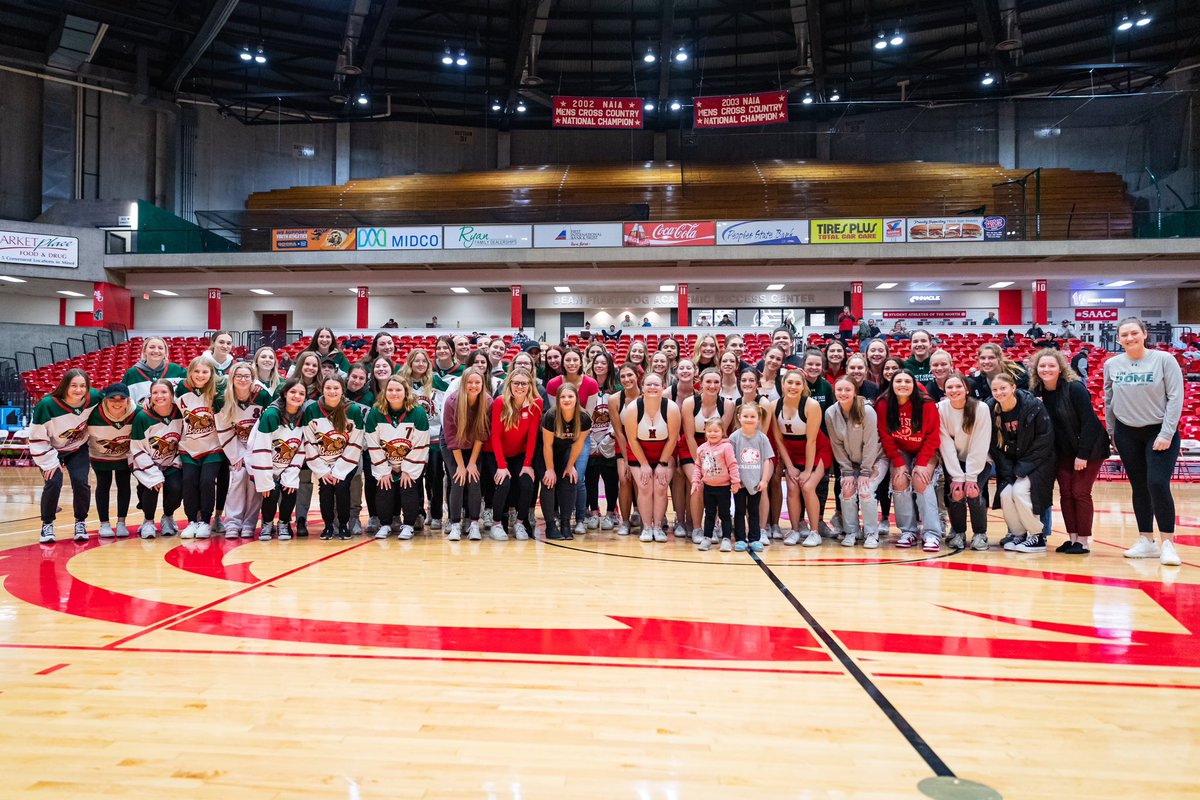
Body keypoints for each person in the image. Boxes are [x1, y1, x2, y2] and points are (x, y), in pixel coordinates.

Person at [1104, 317, 1185, 566]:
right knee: (1139, 486)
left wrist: (1167, 433)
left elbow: (1176, 397)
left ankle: (1168, 543)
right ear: (1119, 339)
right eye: (1124, 335)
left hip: (1159, 431)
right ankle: (1146, 541)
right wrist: (1112, 432)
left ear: (1144, 334)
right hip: (1127, 433)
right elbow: (1109, 400)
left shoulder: (1164, 360)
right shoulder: (1112, 364)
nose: (1129, 338)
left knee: (1157, 483)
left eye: (1133, 333)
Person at [1029, 348, 1109, 555]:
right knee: (1066, 493)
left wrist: (1082, 455)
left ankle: (1083, 541)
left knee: (1080, 492)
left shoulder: (1075, 388)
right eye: (1042, 366)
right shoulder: (1037, 393)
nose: (1046, 369)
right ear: (1036, 369)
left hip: (1089, 448)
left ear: (1060, 368)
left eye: (1051, 365)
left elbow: (1090, 423)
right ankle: (1072, 538)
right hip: (1063, 451)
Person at [32, 369, 103, 543]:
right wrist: (48, 462)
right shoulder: (47, 405)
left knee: (80, 482)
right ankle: (47, 524)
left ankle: (80, 521)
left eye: (82, 386)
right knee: (53, 482)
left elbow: (116, 403)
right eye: (74, 386)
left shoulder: (93, 397)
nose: (79, 390)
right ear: (64, 386)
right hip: (50, 449)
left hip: (77, 448)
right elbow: (36, 437)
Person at [987, 373, 1055, 553]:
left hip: (1039, 461)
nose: (999, 392)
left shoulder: (1033, 406)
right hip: (1012, 464)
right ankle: (1019, 534)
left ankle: (1037, 536)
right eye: (995, 389)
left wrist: (1022, 468)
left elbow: (1044, 440)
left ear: (1013, 388)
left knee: (1019, 491)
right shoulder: (991, 409)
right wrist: (1009, 471)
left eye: (1003, 388)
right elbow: (995, 446)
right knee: (1006, 493)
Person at [877, 369, 943, 551]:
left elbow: (932, 437)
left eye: (908, 381)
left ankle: (931, 533)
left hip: (926, 449)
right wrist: (898, 463)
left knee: (921, 481)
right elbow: (885, 436)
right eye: (899, 381)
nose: (903, 385)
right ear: (892, 385)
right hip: (900, 449)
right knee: (899, 481)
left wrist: (921, 463)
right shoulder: (883, 403)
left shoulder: (926, 403)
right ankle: (908, 531)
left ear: (914, 385)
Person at [825, 377, 887, 548]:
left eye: (847, 390)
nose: (843, 393)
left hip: (875, 459)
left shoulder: (867, 411)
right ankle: (852, 531)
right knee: (846, 488)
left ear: (855, 392)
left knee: (865, 490)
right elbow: (837, 445)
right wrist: (847, 472)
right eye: (839, 390)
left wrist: (866, 472)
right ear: (834, 391)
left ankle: (871, 533)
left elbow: (871, 443)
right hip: (851, 463)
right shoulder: (830, 413)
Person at [366, 375, 430, 540]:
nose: (394, 393)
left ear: (406, 391)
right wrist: (383, 470)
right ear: (385, 391)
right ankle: (385, 524)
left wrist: (407, 469)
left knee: (409, 488)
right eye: (390, 389)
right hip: (386, 462)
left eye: (398, 389)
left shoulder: (418, 412)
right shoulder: (375, 412)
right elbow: (373, 444)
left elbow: (421, 444)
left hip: (409, 462)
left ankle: (408, 525)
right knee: (383, 489)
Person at [303, 375, 366, 540]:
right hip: (323, 463)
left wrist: (339, 470)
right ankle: (329, 526)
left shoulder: (352, 410)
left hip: (346, 462)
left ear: (342, 390)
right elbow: (309, 442)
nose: (332, 391)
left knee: (341, 486)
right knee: (325, 488)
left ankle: (344, 525)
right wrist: (323, 470)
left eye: (336, 388)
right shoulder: (312, 410)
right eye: (328, 388)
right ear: (322, 389)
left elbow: (355, 443)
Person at [772, 370, 831, 547]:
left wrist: (807, 471)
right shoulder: (774, 405)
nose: (793, 387)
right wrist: (789, 467)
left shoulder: (811, 405)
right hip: (792, 451)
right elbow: (779, 439)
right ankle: (795, 530)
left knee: (807, 486)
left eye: (798, 383)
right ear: (783, 385)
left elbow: (812, 441)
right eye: (789, 382)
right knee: (791, 487)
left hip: (817, 450)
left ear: (803, 386)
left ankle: (814, 532)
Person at [622, 371, 681, 543]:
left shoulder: (671, 408)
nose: (653, 387)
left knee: (661, 487)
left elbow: (672, 438)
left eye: (657, 384)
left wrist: (662, 463)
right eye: (649, 384)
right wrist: (644, 464)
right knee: (645, 486)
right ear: (642, 388)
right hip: (639, 452)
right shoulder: (633, 408)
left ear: (663, 388)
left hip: (665, 452)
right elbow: (632, 439)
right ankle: (647, 527)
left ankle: (658, 527)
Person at [546, 349, 599, 534]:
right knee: (561, 475)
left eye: (575, 359)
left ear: (581, 361)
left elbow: (588, 416)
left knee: (579, 477)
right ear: (563, 362)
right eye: (567, 359)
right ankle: (562, 516)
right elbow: (556, 413)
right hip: (559, 436)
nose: (571, 363)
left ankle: (581, 519)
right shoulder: (553, 384)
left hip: (581, 436)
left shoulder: (591, 383)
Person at [937, 373, 992, 551]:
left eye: (958, 386)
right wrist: (957, 477)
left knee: (973, 492)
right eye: (950, 387)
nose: (954, 390)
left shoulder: (980, 408)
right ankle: (959, 532)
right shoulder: (940, 408)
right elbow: (946, 445)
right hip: (954, 461)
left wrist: (971, 476)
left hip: (981, 459)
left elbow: (980, 444)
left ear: (967, 388)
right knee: (957, 493)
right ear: (944, 390)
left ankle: (980, 534)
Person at [249, 378, 308, 540]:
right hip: (262, 461)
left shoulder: (304, 416)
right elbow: (261, 448)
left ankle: (284, 523)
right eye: (293, 392)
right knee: (271, 492)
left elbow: (301, 449)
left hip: (287, 463)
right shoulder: (271, 415)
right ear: (284, 394)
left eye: (301, 393)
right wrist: (266, 479)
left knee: (290, 489)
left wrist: (291, 473)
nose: (297, 396)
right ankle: (267, 524)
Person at [219, 362, 272, 539]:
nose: (242, 379)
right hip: (235, 448)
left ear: (253, 378)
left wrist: (253, 454)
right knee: (238, 477)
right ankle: (233, 522)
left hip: (257, 448)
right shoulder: (223, 398)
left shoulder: (262, 395)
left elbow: (266, 426)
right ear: (232, 378)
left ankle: (249, 523)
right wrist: (237, 455)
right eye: (238, 376)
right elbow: (223, 429)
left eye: (246, 376)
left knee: (254, 480)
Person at [488, 368, 541, 540]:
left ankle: (519, 523)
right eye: (516, 383)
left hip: (520, 454)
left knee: (527, 483)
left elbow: (532, 436)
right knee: (504, 483)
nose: (520, 386)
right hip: (497, 453)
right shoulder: (500, 402)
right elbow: (495, 436)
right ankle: (496, 524)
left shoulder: (536, 403)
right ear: (509, 384)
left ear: (530, 385)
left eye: (524, 383)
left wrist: (527, 464)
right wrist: (502, 466)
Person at [176, 356, 225, 539]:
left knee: (206, 482)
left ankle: (205, 520)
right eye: (196, 371)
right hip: (188, 446)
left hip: (213, 447)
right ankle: (191, 521)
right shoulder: (180, 389)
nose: (200, 375)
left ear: (211, 374)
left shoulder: (218, 392)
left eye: (205, 372)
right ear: (190, 373)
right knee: (188, 481)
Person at [129, 378, 184, 539]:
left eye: (164, 392)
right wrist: (153, 472)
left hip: (173, 461)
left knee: (176, 487)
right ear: (150, 396)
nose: (159, 396)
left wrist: (176, 462)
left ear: (172, 394)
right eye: (155, 393)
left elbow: (185, 439)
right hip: (146, 461)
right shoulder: (142, 417)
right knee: (151, 486)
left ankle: (168, 516)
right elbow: (137, 448)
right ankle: (148, 521)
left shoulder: (179, 412)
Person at [441, 367, 491, 541]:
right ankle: (455, 524)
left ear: (482, 384)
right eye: (470, 382)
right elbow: (451, 437)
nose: (473, 385)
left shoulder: (487, 401)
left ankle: (474, 524)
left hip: (474, 444)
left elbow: (482, 434)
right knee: (458, 479)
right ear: (463, 383)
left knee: (474, 479)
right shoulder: (452, 402)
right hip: (452, 444)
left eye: (477, 382)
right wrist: (461, 466)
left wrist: (471, 463)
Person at [402, 349, 449, 533]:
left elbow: (447, 403)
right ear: (410, 363)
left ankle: (436, 514)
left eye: (424, 361)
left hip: (435, 438)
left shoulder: (436, 381)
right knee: (415, 478)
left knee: (436, 477)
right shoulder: (402, 381)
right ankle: (418, 513)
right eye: (416, 361)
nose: (420, 364)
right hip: (412, 440)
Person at [84, 382, 136, 540]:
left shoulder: (136, 413)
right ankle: (104, 524)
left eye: (122, 399)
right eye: (113, 398)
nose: (117, 402)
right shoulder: (93, 413)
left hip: (124, 454)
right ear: (105, 399)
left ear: (128, 400)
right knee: (103, 484)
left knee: (124, 484)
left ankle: (121, 522)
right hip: (100, 454)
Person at [541, 383, 592, 540]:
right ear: (557, 400)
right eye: (563, 396)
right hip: (546, 450)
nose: (567, 399)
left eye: (570, 396)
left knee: (570, 479)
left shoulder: (584, 418)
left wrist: (570, 466)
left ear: (576, 399)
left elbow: (578, 444)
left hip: (566, 450)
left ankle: (565, 524)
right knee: (549, 482)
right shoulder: (550, 416)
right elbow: (547, 445)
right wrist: (550, 469)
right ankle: (550, 526)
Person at [729, 401, 773, 551]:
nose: (749, 419)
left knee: (754, 511)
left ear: (758, 419)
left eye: (752, 416)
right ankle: (740, 538)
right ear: (739, 417)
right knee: (739, 511)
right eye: (745, 416)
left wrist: (764, 480)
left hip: (756, 483)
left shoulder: (762, 438)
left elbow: (767, 460)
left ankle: (754, 539)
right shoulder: (734, 437)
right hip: (740, 483)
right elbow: (730, 460)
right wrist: (735, 480)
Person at [690, 419, 740, 552]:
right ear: (705, 432)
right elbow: (698, 467)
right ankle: (706, 537)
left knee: (725, 514)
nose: (712, 433)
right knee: (709, 513)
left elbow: (732, 465)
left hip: (723, 487)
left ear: (722, 432)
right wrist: (695, 482)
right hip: (708, 487)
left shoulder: (727, 447)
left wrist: (735, 482)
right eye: (709, 431)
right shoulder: (701, 449)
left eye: (716, 431)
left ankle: (726, 539)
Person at [584, 351, 620, 530]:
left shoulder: (616, 388)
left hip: (610, 440)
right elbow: (583, 415)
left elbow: (620, 416)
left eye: (603, 363)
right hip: (590, 440)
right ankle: (593, 513)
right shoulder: (587, 386)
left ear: (609, 366)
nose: (599, 366)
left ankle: (611, 513)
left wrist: (610, 437)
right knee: (590, 478)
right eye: (596, 362)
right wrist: (590, 440)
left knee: (611, 478)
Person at [609, 363, 641, 536]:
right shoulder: (614, 399)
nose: (627, 379)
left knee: (639, 480)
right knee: (624, 478)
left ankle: (645, 518)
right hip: (624, 444)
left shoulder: (646, 395)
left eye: (630, 375)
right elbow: (619, 433)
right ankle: (625, 521)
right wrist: (628, 461)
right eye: (623, 376)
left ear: (637, 376)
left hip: (645, 444)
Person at [123, 337, 187, 405]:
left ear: (165, 352)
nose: (156, 351)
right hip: (141, 415)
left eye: (160, 348)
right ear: (144, 351)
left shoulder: (177, 370)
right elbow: (124, 400)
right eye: (152, 347)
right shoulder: (132, 373)